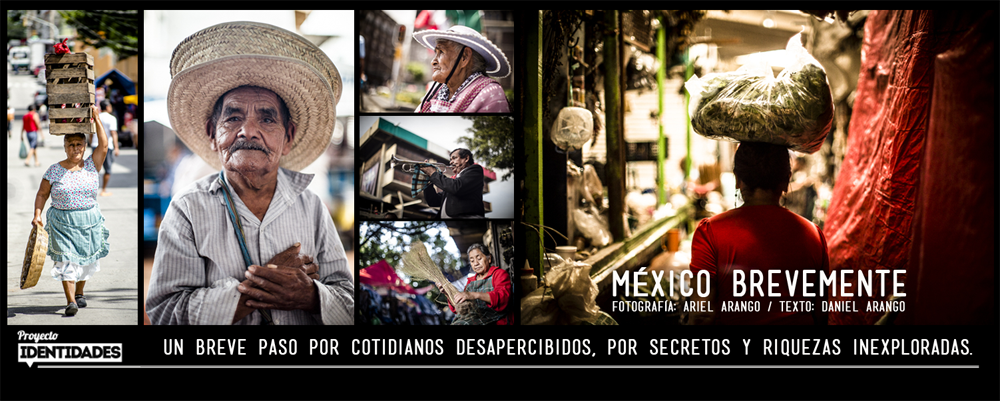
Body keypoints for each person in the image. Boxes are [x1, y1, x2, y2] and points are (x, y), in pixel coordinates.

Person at [145, 21, 352, 325]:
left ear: (288, 136)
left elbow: (350, 302)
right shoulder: (187, 209)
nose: (248, 131)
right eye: (233, 117)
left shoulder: (312, 208)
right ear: (212, 134)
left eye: (267, 119)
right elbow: (165, 313)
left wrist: (309, 296)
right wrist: (268, 283)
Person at [687, 142, 828, 325]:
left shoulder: (710, 232)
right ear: (786, 180)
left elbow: (701, 315)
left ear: (738, 179)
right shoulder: (813, 235)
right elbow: (821, 313)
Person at [32, 105, 111, 316]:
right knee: (67, 260)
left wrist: (96, 118)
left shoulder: (92, 166)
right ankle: (70, 302)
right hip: (62, 223)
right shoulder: (54, 170)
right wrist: (37, 214)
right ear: (65, 147)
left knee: (85, 261)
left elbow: (104, 145)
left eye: (79, 144)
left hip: (89, 221)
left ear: (85, 146)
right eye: (70, 144)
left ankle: (79, 292)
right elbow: (42, 194)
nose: (75, 148)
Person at [412, 25, 511, 113]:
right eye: (436, 53)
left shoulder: (491, 94)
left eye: (441, 52)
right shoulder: (436, 91)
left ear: (464, 57)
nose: (433, 61)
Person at [442, 244, 511, 325]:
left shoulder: (499, 274)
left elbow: (503, 298)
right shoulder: (470, 282)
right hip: (472, 318)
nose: (476, 263)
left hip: (493, 319)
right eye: (472, 261)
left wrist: (474, 295)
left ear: (489, 258)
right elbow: (459, 309)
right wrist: (447, 293)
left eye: (479, 258)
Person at [420, 148, 485, 218]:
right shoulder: (454, 181)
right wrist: (427, 180)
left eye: (454, 158)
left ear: (466, 158)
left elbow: (456, 187)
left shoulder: (475, 170)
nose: (450, 162)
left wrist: (433, 173)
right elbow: (433, 201)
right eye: (450, 160)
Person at [88, 99, 119, 196]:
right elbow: (113, 133)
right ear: (107, 106)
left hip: (95, 145)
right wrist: (116, 147)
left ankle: (91, 191)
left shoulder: (96, 117)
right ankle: (103, 190)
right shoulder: (112, 118)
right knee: (108, 169)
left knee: (94, 170)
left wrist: (91, 142)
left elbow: (91, 133)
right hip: (107, 146)